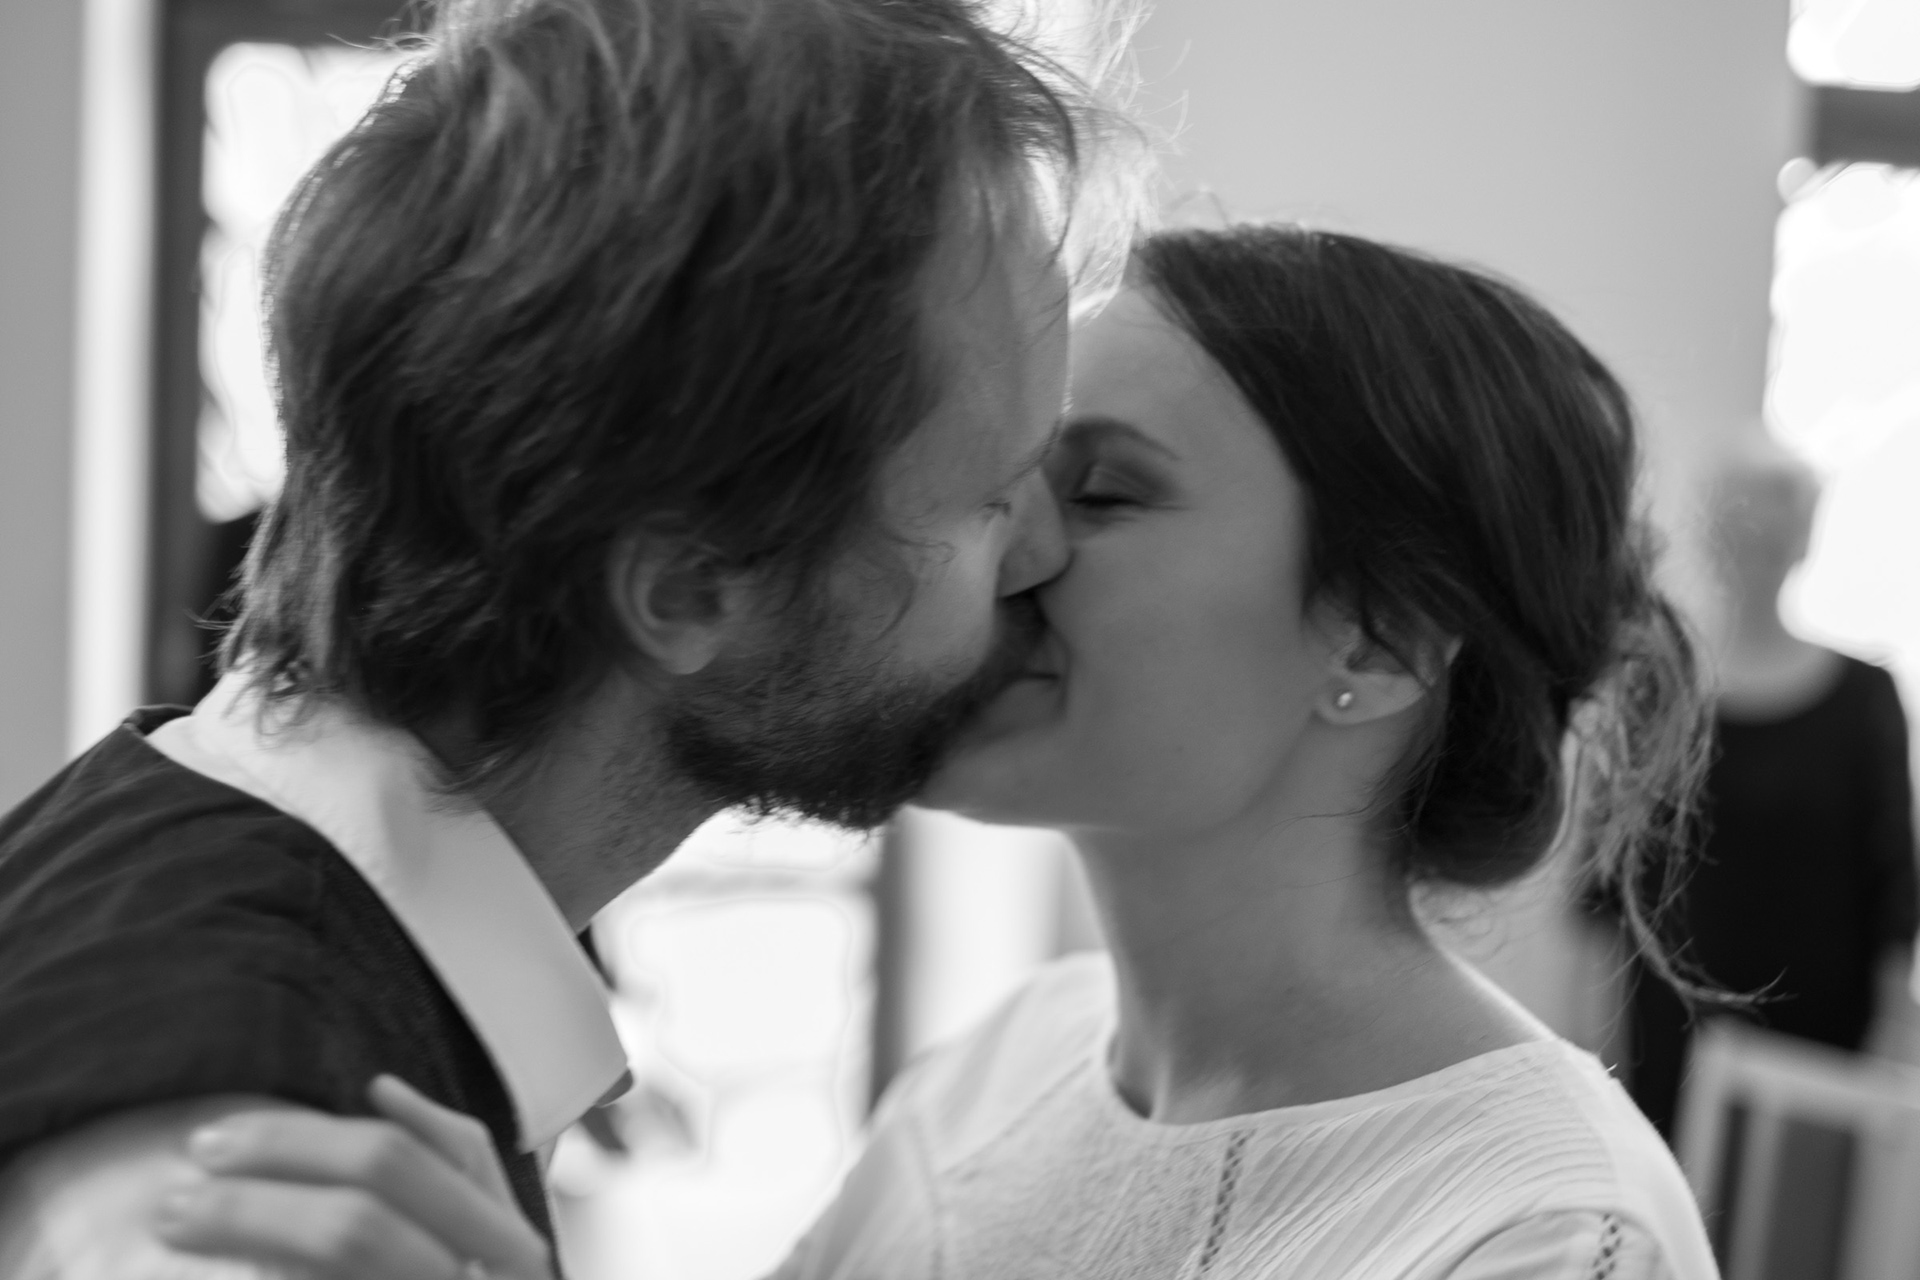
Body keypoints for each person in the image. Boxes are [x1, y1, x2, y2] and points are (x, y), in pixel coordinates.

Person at [160, 227, 1722, 1279]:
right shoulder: (1008, 1066)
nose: (998, 556)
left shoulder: (1539, 1233)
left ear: (1377, 641)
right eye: (999, 486)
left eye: (1102, 494)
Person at [0, 0, 1137, 1272]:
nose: (1045, 553)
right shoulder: (247, 1176)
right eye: (991, 500)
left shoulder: (177, 869)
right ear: (688, 591)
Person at [1625, 439, 1917, 1137]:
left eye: (1773, 532)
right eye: (1741, 527)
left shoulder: (1864, 698)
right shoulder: (1660, 688)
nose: (1755, 549)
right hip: (1666, 1036)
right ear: (1712, 536)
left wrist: (1890, 1045)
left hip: (1818, 1048)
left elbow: (1894, 889)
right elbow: (1608, 887)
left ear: (1801, 542)